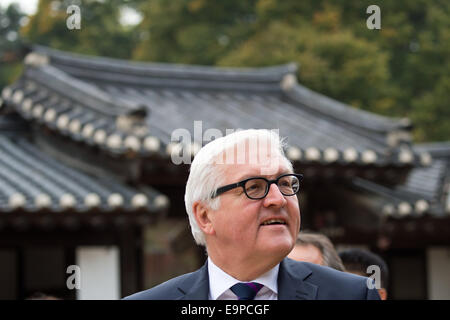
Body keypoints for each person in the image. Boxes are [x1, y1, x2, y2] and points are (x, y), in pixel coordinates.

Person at [124, 129, 380, 300]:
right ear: (205, 216)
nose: (278, 199)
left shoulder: (351, 295)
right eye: (254, 187)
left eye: (285, 183)